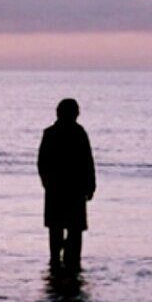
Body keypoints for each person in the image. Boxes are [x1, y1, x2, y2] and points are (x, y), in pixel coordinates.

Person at [38, 98, 96, 271]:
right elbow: (88, 161)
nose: (78, 113)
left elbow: (42, 163)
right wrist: (90, 185)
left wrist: (48, 184)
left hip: (63, 189)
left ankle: (59, 263)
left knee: (61, 230)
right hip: (69, 189)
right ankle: (68, 263)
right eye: (75, 110)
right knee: (70, 230)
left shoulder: (55, 133)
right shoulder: (76, 133)